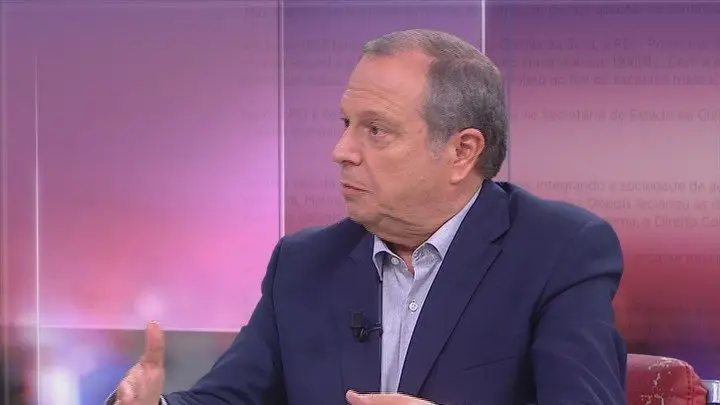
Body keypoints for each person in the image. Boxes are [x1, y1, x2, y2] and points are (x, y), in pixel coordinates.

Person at [108, 29, 627, 405]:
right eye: (346, 124)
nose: (342, 151)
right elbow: (230, 398)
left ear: (462, 151)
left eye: (376, 130)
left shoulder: (560, 251)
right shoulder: (304, 263)